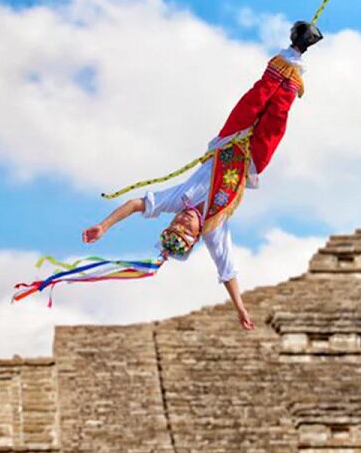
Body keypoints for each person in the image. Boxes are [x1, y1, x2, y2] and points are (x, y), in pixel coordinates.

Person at [81, 21, 323, 329]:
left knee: (256, 100)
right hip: (249, 163)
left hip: (227, 145)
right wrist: (240, 308)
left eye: (177, 222)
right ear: (196, 237)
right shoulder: (213, 227)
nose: (183, 220)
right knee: (276, 117)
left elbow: (135, 205)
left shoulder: (177, 200)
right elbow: (227, 272)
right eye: (186, 227)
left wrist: (104, 226)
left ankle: (291, 49)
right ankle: (299, 58)